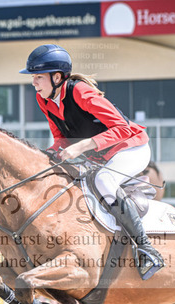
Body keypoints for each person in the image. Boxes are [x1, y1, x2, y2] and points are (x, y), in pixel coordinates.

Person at [19, 44, 163, 279]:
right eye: (33, 77)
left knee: (104, 180)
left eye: (38, 77)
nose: (33, 82)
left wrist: (82, 146)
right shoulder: (43, 99)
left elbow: (123, 128)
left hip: (131, 148)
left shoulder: (80, 91)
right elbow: (60, 139)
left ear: (57, 77)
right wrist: (42, 157)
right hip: (100, 157)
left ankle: (146, 249)